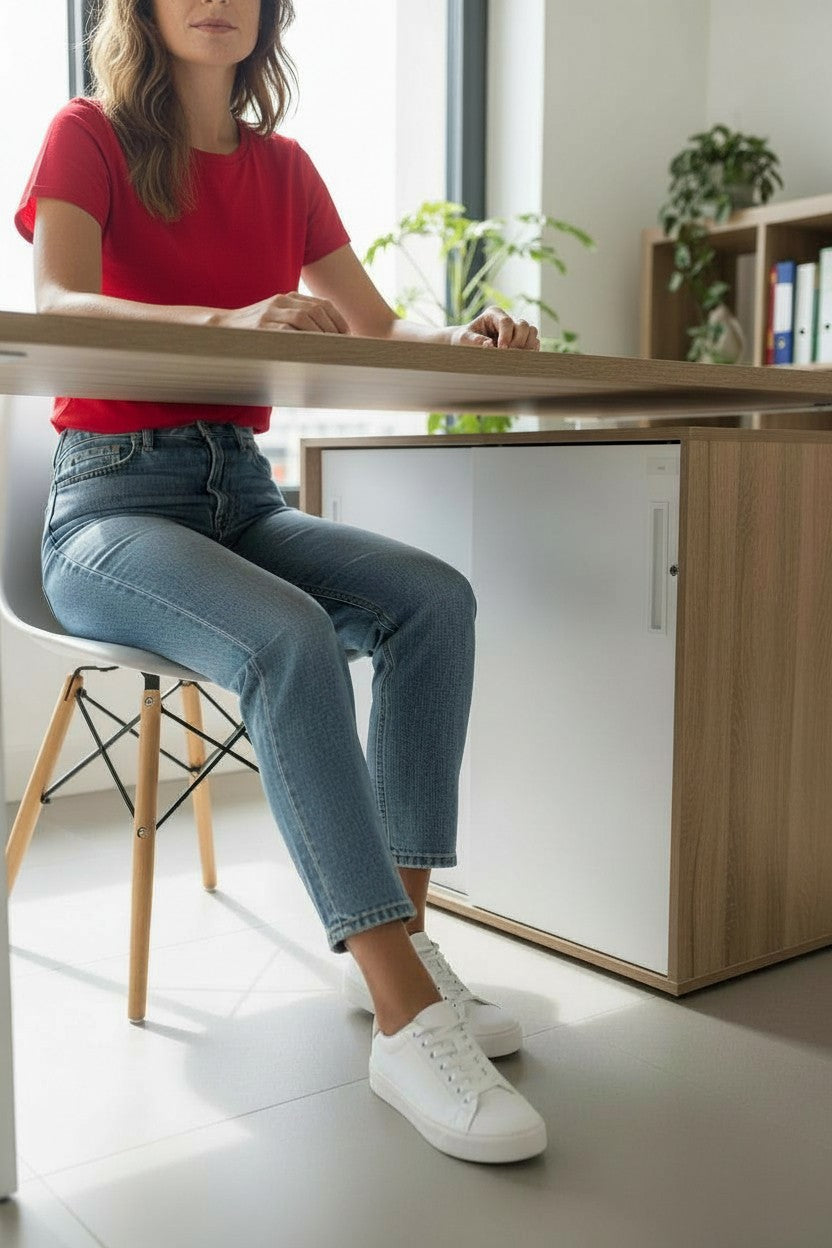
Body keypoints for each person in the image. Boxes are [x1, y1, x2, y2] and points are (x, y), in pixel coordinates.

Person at [15, 0, 546, 1164]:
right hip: (108, 507)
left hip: (239, 495)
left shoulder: (285, 170)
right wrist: (229, 317)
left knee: (432, 599)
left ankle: (395, 943)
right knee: (289, 635)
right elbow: (57, 302)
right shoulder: (86, 136)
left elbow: (374, 328)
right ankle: (404, 1017)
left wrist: (465, 341)